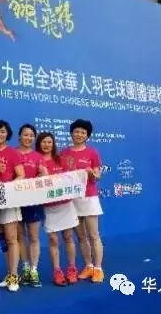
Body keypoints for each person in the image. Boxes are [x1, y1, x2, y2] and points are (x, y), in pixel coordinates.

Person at [59, 119, 104, 283]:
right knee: (81, 237)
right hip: (72, 199)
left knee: (93, 235)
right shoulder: (63, 153)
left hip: (89, 197)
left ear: (87, 136)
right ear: (71, 133)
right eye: (76, 131)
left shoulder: (92, 153)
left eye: (83, 132)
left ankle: (98, 268)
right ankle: (88, 265)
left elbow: (98, 176)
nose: (79, 134)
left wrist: (92, 173)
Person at [36, 132, 79, 286]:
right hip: (48, 207)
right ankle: (57, 271)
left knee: (68, 236)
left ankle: (72, 269)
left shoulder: (61, 159)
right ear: (39, 144)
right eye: (43, 142)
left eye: (49, 142)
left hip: (65, 204)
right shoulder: (36, 161)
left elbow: (70, 178)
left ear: (53, 144)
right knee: (53, 239)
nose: (46, 145)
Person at [0, 120, 24, 292]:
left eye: (2, 131)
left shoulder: (12, 153)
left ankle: (14, 275)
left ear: (7, 134)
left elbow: (21, 175)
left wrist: (8, 188)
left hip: (9, 201)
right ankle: (9, 273)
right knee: (2, 240)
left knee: (11, 239)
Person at [16, 124, 48, 287]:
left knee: (34, 237)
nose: (28, 138)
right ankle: (26, 268)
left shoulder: (38, 157)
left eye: (31, 135)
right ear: (19, 136)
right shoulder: (12, 154)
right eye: (25, 134)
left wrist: (44, 175)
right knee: (20, 237)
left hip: (34, 202)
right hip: (15, 202)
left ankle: (34, 270)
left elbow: (45, 178)